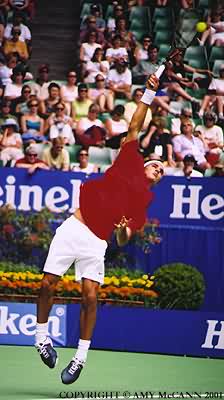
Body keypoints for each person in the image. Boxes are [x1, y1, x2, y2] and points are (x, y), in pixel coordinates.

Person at [35, 73, 165, 385]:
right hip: (73, 228)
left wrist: (121, 230)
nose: (158, 169)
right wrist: (147, 95)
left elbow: (125, 237)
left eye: (162, 171)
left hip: (96, 242)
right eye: (156, 164)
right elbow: (135, 123)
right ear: (145, 163)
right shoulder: (129, 159)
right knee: (47, 284)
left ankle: (80, 358)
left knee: (90, 296)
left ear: (158, 181)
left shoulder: (142, 205)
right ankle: (41, 338)